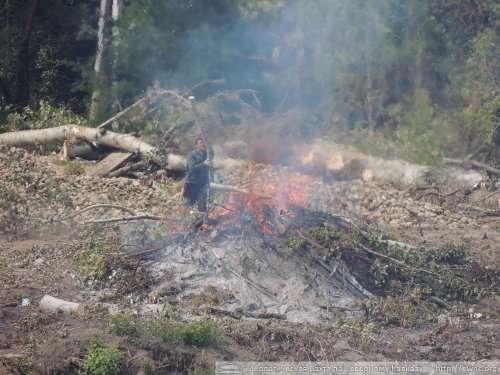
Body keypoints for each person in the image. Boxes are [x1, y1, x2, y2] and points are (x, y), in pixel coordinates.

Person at [183, 137, 211, 212]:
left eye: (204, 142)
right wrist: (204, 164)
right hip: (191, 184)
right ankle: (185, 222)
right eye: (201, 143)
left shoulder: (207, 156)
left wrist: (208, 182)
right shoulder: (191, 155)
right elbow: (192, 169)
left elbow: (207, 171)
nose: (203, 144)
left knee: (202, 207)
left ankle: (202, 222)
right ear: (196, 145)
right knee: (188, 206)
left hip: (202, 185)